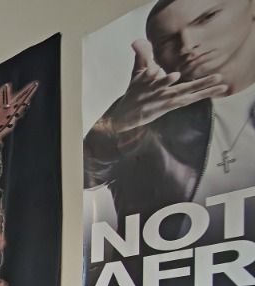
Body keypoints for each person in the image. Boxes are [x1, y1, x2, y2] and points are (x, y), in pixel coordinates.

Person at [84, 0, 255, 223]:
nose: (187, 45)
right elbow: (77, 180)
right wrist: (114, 126)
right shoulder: (143, 116)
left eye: (206, 18)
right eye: (166, 41)